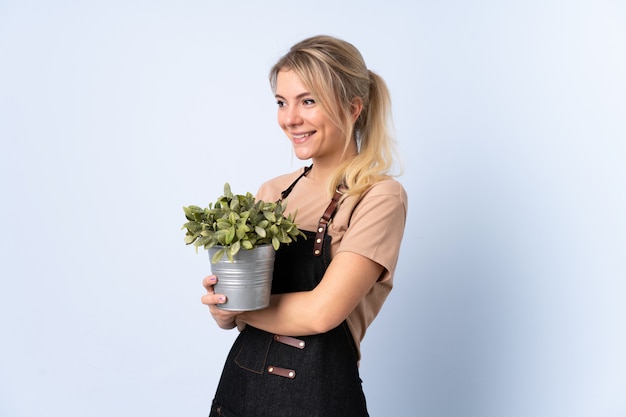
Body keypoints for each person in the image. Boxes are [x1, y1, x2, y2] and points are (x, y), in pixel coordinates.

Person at [201, 35, 407, 417]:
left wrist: (242, 308)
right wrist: (223, 309)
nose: (290, 118)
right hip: (241, 391)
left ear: (353, 107)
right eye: (282, 102)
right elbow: (235, 314)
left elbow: (321, 313)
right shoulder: (272, 192)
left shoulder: (378, 197)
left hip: (318, 399)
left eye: (307, 101)